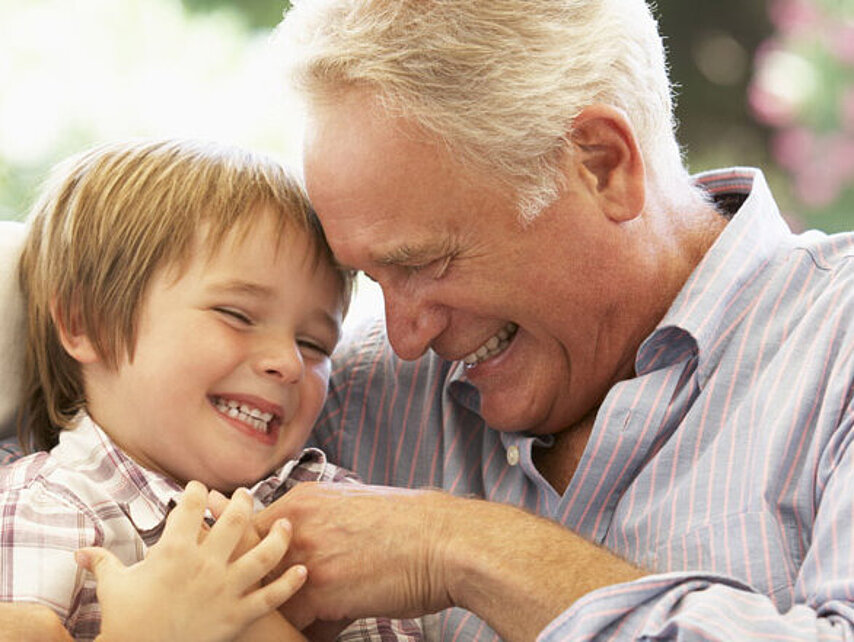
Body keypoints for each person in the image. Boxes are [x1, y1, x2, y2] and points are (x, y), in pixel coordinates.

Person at [242, 0, 852, 640]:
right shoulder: (343, 398)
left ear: (601, 165)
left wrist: (457, 546)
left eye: (425, 262)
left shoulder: (835, 345)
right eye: (373, 278)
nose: (404, 336)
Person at [0, 139, 421, 641]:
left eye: (314, 343)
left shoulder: (337, 513)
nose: (287, 362)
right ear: (84, 323)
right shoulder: (38, 511)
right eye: (236, 315)